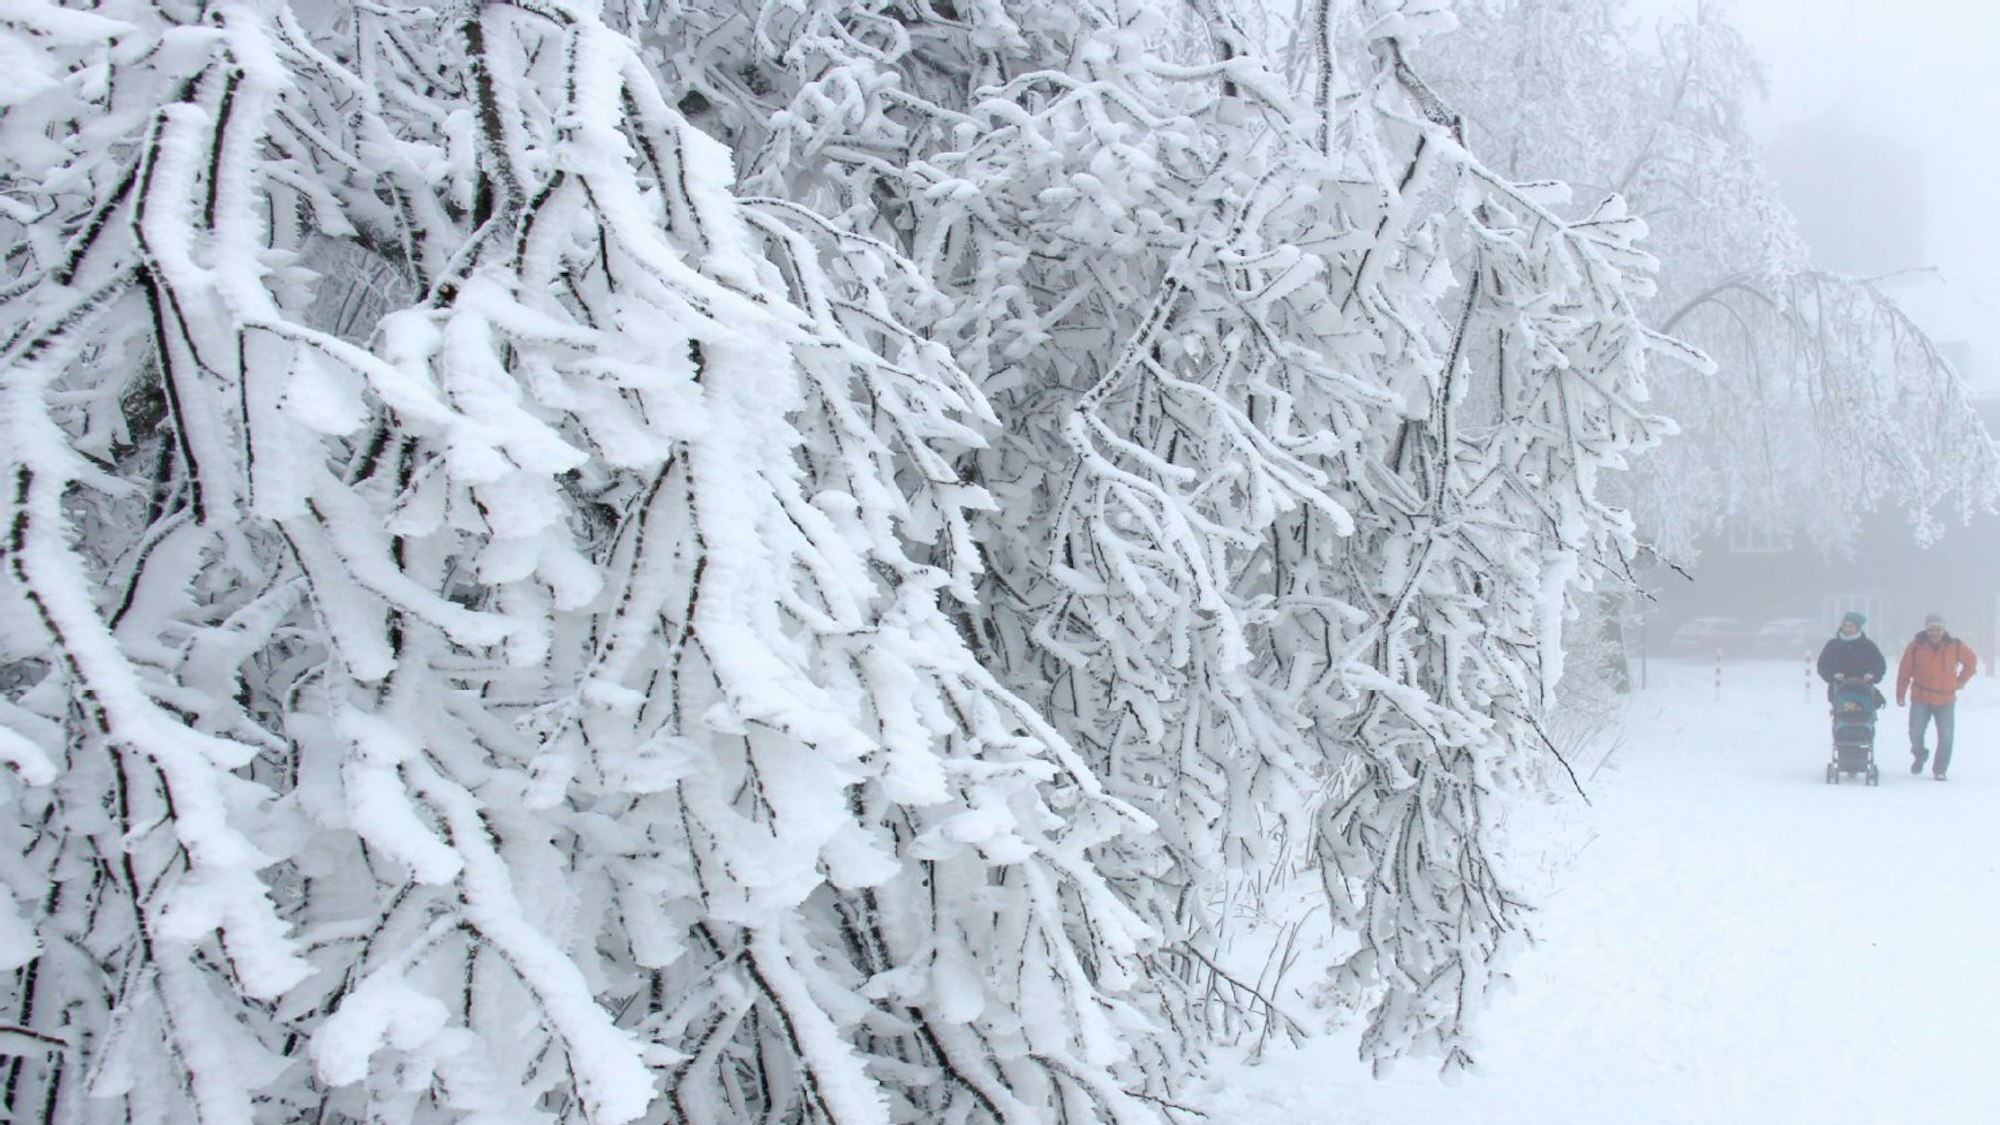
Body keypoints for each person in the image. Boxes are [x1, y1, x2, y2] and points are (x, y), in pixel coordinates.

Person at [1895, 613, 1979, 779]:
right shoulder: (1915, 646)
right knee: (1915, 732)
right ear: (1926, 630)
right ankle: (1920, 754)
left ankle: (1940, 769)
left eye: (1938, 629)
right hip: (1921, 697)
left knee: (1946, 735)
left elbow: (1971, 662)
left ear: (1943, 629)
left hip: (1946, 699)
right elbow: (1904, 671)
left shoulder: (1955, 645)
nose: (1935, 632)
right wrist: (1900, 693)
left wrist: (1961, 681)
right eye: (1932, 629)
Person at [1816, 611, 1886, 704]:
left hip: (1864, 692)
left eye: (1851, 626)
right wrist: (1833, 675)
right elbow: (1822, 666)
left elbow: (1880, 665)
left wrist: (1873, 675)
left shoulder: (1868, 645)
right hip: (1838, 692)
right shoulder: (1833, 645)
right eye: (1845, 626)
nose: (1847, 629)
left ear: (1857, 627)